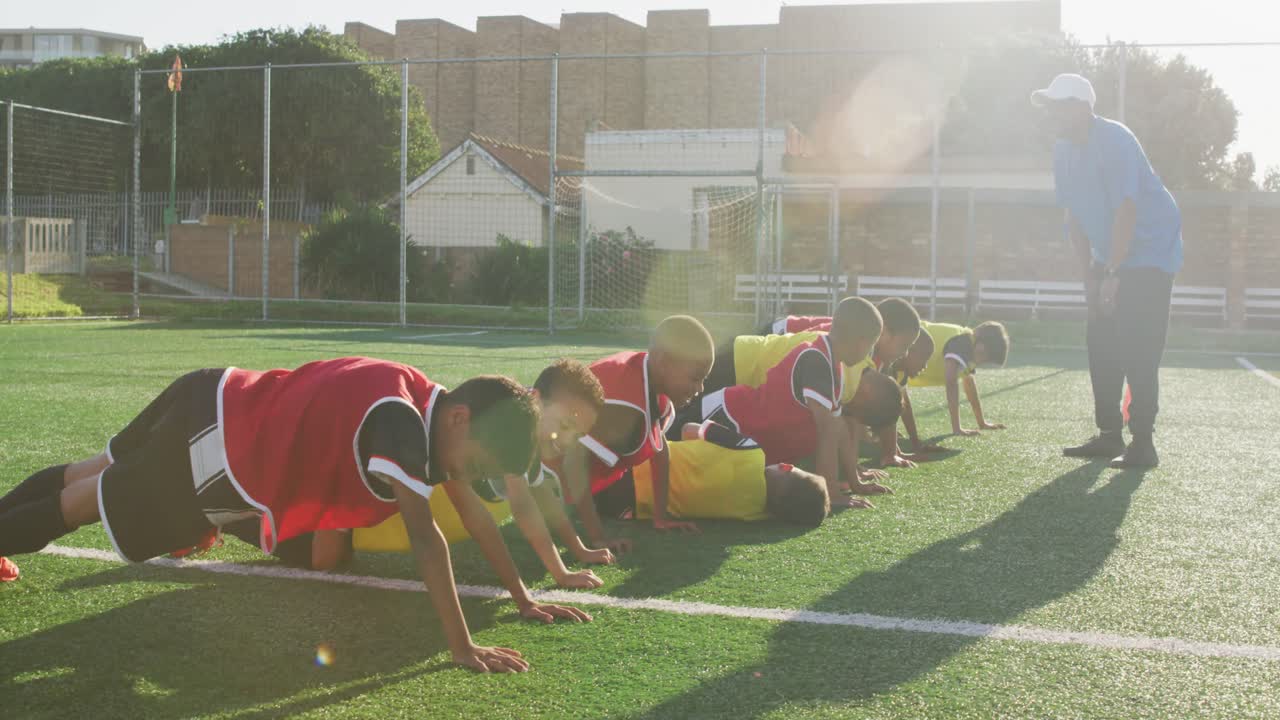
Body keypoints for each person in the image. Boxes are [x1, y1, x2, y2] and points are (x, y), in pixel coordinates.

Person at [0, 357, 584, 673]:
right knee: (83, 501)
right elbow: (427, 539)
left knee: (87, 471)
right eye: (474, 460)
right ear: (460, 420)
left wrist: (523, 598)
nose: (464, 476)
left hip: (215, 390)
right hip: (217, 445)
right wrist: (462, 648)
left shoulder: (428, 402)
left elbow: (475, 518)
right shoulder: (405, 428)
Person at [307, 359, 618, 591]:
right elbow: (521, 508)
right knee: (324, 558)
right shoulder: (504, 427)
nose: (563, 441)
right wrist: (559, 574)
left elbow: (543, 501)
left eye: (573, 435)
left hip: (421, 507)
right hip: (393, 509)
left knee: (329, 556)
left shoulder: (527, 439)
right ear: (535, 399)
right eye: (564, 426)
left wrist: (577, 550)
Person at [1034, 72, 1182, 468]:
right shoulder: (1062, 151)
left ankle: (1143, 444)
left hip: (1150, 253)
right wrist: (1091, 277)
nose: (1052, 113)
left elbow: (1127, 210)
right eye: (1049, 106)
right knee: (1100, 340)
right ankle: (1109, 435)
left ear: (1083, 107)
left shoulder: (1115, 139)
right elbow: (1075, 217)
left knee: (1138, 344)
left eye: (1059, 105)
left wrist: (1114, 273)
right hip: (1109, 253)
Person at [685, 298, 899, 509]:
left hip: (737, 430)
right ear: (861, 342)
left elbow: (839, 427)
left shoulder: (833, 364)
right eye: (870, 347)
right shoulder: (818, 361)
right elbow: (827, 431)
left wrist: (855, 482)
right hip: (724, 418)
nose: (868, 354)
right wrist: (831, 491)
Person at [559, 316, 716, 555]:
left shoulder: (651, 381)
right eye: (695, 378)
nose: (700, 389)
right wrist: (598, 538)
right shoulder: (623, 402)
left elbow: (659, 446)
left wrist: (660, 517)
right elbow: (574, 460)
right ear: (664, 361)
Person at [624, 425, 830, 527]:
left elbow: (688, 429)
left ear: (786, 467)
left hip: (630, 459)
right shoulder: (753, 515)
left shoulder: (751, 450)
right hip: (626, 506)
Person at [888, 320, 1010, 450]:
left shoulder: (970, 347)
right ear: (981, 345)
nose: (982, 361)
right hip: (898, 337)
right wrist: (957, 428)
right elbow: (951, 383)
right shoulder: (962, 343)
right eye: (985, 356)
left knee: (892, 392)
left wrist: (981, 422)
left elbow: (969, 383)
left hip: (902, 354)